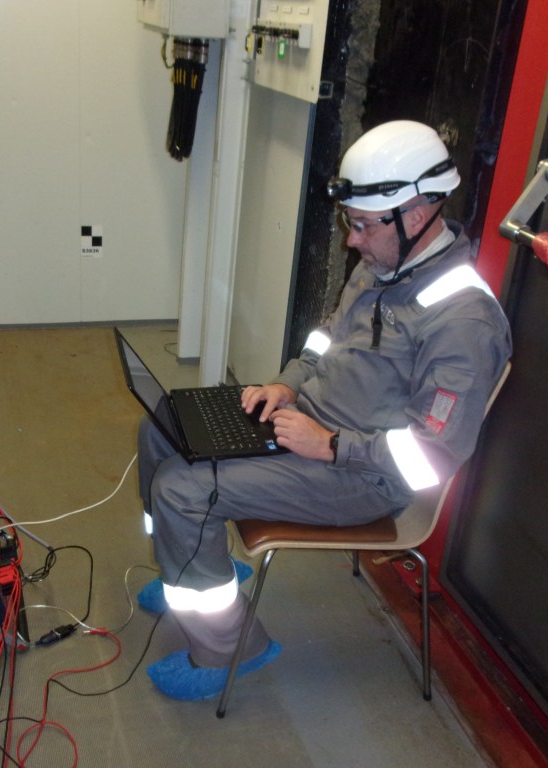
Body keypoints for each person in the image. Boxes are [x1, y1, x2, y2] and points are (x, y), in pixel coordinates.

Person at [135, 120, 512, 701]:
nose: (351, 242)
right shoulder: (382, 266)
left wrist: (331, 445)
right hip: (306, 427)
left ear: (415, 215)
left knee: (182, 491)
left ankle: (231, 648)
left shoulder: (464, 323)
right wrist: (285, 386)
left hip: (362, 476)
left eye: (362, 226)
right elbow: (325, 342)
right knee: (162, 423)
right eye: (349, 224)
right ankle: (183, 561)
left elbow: (432, 459)